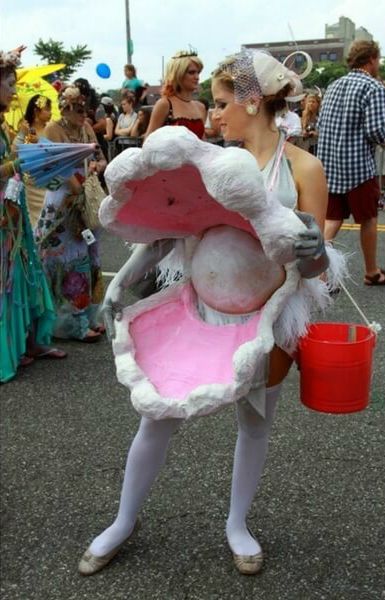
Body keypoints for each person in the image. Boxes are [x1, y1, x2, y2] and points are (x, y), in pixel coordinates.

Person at [78, 49, 343, 577]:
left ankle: (237, 524)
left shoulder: (303, 168)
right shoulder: (213, 159)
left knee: (255, 421)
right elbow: (175, 230)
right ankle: (123, 520)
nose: (213, 115)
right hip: (196, 310)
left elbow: (315, 272)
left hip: (267, 316)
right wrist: (123, 283)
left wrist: (314, 249)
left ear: (251, 100)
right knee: (156, 415)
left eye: (222, 104)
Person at [0, 48, 65, 383]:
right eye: (8, 84)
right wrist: (18, 163)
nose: (13, 91)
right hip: (4, 218)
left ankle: (30, 343)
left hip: (13, 211)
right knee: (7, 281)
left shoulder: (4, 128)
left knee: (24, 273)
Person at [317, 40, 385, 286]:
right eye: (379, 60)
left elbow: (322, 125)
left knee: (332, 219)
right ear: (372, 59)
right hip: (357, 168)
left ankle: (317, 273)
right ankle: (372, 272)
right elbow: (375, 131)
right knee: (368, 218)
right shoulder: (373, 87)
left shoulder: (334, 85)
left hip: (330, 165)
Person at [35, 84, 107, 342]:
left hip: (86, 198)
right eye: (77, 108)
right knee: (67, 260)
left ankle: (88, 317)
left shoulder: (87, 127)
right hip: (63, 202)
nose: (83, 113)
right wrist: (75, 183)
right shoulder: (53, 129)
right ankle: (70, 324)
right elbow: (51, 166)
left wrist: (95, 166)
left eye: (84, 108)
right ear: (64, 107)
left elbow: (100, 157)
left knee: (90, 258)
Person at [145, 49, 207, 139]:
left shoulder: (200, 107)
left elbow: (203, 143)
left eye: (198, 72)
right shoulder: (165, 104)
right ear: (178, 74)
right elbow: (148, 142)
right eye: (191, 72)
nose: (197, 77)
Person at [13, 94, 52, 227]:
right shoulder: (25, 130)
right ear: (36, 111)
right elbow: (14, 154)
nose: (50, 113)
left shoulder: (52, 128)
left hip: (51, 182)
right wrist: (23, 134)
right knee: (34, 224)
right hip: (31, 186)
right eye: (47, 109)